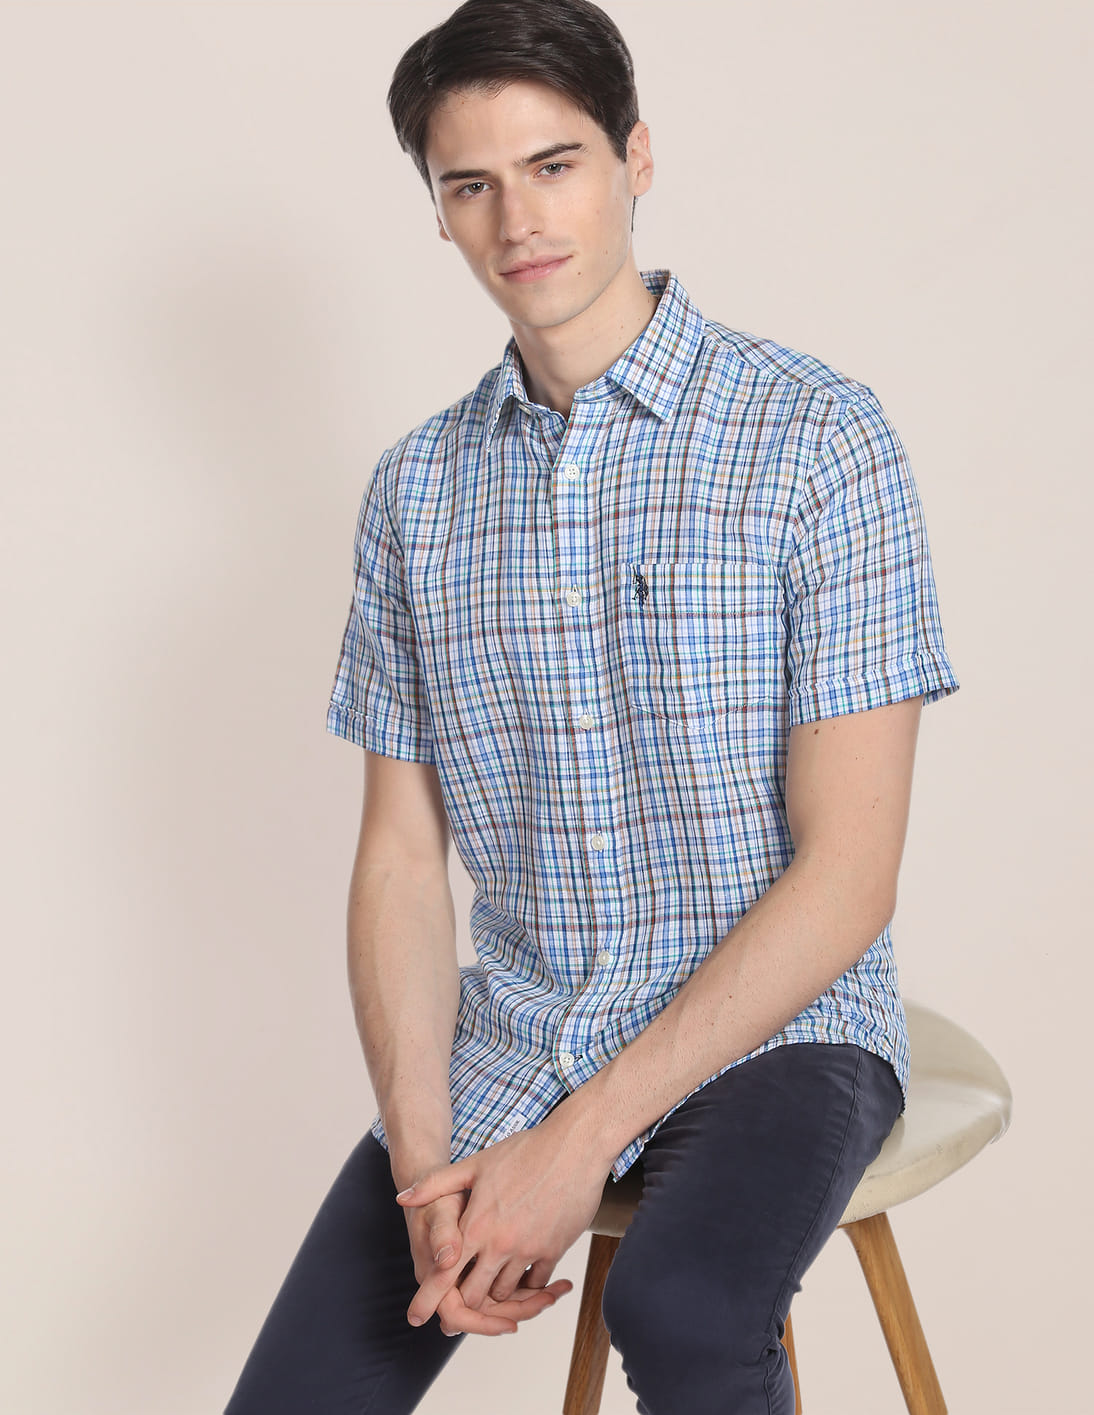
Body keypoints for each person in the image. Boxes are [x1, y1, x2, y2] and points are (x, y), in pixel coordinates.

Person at [224, 1, 960, 1410]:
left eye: (553, 165)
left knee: (681, 1311)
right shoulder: (419, 491)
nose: (518, 221)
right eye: (470, 185)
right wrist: (426, 1157)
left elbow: (849, 873)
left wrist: (574, 1148)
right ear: (438, 211)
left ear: (635, 157)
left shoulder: (817, 437)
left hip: (778, 1026)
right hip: (521, 1024)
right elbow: (400, 860)